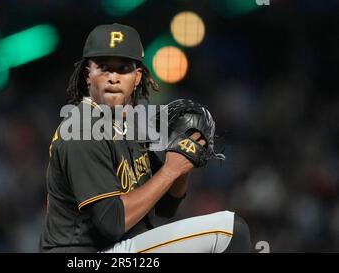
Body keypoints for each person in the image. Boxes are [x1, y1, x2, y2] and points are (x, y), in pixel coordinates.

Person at [39, 23, 251, 253]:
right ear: (88, 75)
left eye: (123, 68)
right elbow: (112, 222)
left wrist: (182, 162)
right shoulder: (81, 129)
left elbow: (166, 206)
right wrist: (171, 170)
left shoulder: (130, 124)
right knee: (230, 230)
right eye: (103, 67)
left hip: (117, 249)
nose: (113, 77)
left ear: (137, 76)